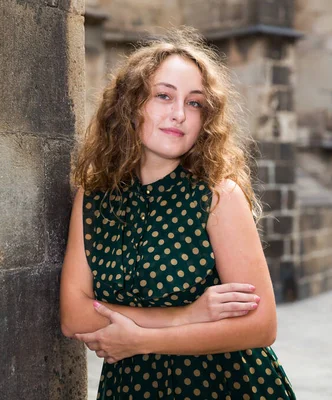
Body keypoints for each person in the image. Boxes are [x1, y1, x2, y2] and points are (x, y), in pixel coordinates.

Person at [60, 28, 295, 400]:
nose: (179, 114)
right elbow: (75, 314)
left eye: (195, 103)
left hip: (223, 385)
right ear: (130, 105)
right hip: (131, 388)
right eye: (163, 96)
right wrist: (188, 315)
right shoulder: (92, 199)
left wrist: (140, 340)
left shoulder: (218, 196)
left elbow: (261, 327)